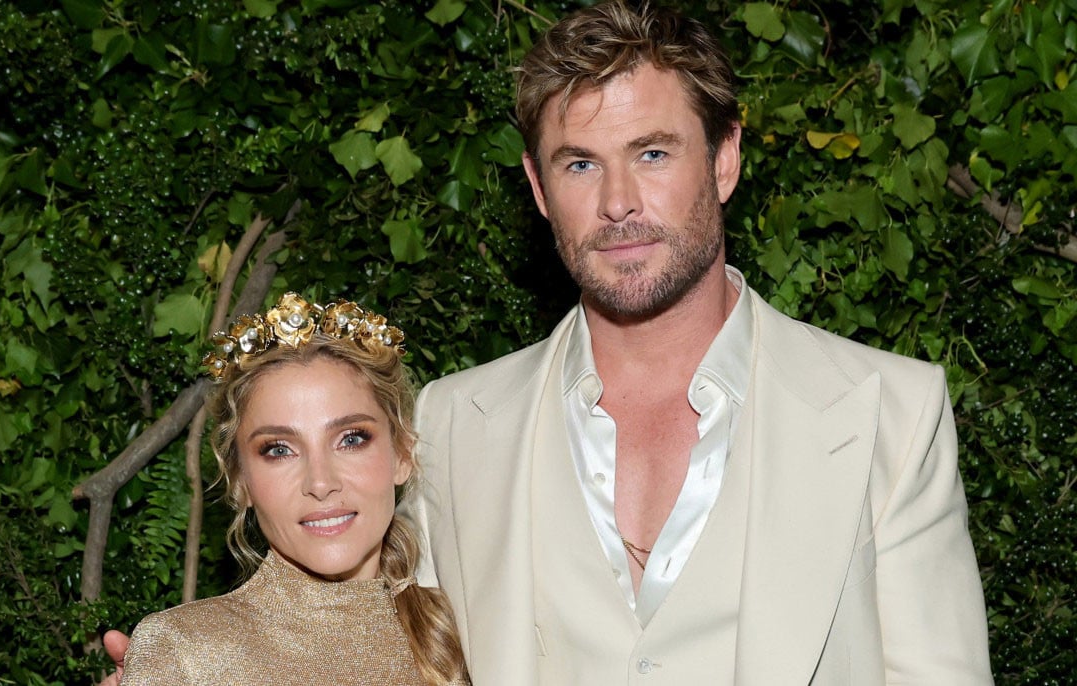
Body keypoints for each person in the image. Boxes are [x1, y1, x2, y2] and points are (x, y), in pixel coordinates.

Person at [105, 2, 993, 684]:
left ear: (724, 160)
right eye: (580, 163)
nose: (618, 202)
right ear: (537, 186)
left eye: (652, 153)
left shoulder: (890, 412)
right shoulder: (456, 421)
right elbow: (366, 638)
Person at [116, 292, 468, 685]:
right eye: (279, 450)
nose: (321, 483)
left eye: (351, 439)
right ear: (241, 482)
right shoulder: (185, 653)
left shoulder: (463, 636)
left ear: (402, 454)